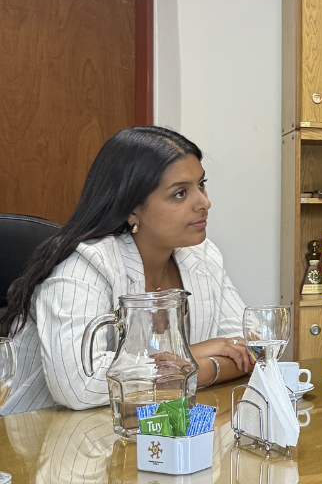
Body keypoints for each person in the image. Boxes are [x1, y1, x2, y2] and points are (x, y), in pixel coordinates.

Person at [2, 126, 254, 414]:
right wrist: (192, 359)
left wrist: (185, 369)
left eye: (201, 184)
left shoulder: (202, 256)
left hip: (150, 431)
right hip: (45, 443)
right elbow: (78, 387)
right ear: (133, 209)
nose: (204, 203)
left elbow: (248, 350)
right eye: (181, 193)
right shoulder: (82, 267)